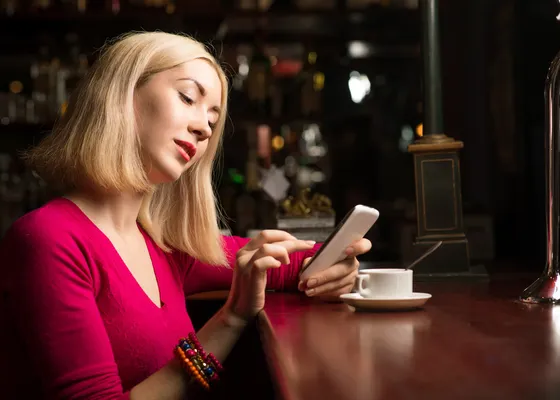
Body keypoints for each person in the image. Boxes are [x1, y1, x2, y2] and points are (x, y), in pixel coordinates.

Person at [0, 31, 371, 399]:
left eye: (213, 117)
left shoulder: (165, 247)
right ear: (122, 95)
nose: (204, 127)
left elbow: (291, 264)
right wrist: (230, 318)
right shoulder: (48, 240)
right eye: (188, 97)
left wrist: (339, 265)